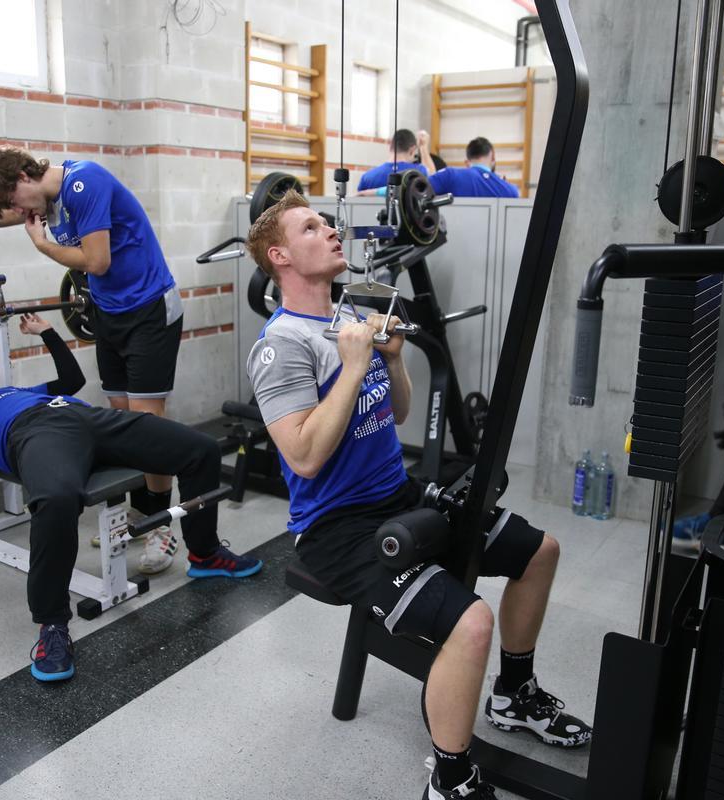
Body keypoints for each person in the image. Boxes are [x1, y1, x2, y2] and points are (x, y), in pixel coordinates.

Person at [244, 191, 590, 800]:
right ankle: (451, 780)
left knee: (541, 551)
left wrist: (394, 362)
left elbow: (395, 412)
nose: (330, 230)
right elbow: (301, 454)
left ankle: (513, 695)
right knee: (472, 622)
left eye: (327, 222)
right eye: (311, 226)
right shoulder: (281, 346)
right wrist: (352, 368)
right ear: (279, 256)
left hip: (396, 495)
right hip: (338, 529)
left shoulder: (346, 318)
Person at [0, 312, 261, 683]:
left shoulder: (11, 390)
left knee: (200, 450)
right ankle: (52, 627)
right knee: (57, 500)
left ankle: (205, 555)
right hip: (35, 435)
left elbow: (72, 381)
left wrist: (47, 333)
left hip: (85, 416)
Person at [0, 146, 182, 558]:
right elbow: (7, 215)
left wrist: (42, 246)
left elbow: (96, 262)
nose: (16, 211)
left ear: (25, 178)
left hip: (148, 309)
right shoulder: (44, 196)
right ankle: (139, 513)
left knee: (149, 427)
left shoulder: (85, 182)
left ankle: (162, 525)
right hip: (110, 313)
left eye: (14, 199)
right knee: (123, 422)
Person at [428, 137, 520, 198]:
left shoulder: (449, 175)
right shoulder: (509, 189)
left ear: (467, 162)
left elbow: (419, 189)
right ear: (493, 158)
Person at [356, 129, 434, 194]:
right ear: (412, 150)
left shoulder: (367, 177)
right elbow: (434, 177)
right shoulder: (418, 172)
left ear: (390, 147)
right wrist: (423, 147)